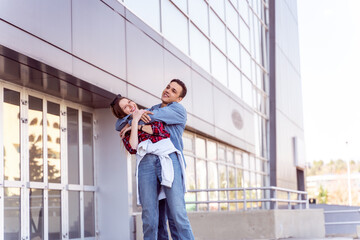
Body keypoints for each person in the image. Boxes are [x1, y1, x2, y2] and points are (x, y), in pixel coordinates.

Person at [115, 79, 194, 240]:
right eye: (167, 87)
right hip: (148, 163)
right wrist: (135, 119)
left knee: (176, 217)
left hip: (170, 161)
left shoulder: (178, 109)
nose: (168, 91)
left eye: (173, 91)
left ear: (178, 99)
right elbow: (119, 123)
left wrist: (135, 124)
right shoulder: (153, 108)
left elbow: (150, 119)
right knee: (154, 219)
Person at [111, 96, 179, 240]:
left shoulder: (148, 113)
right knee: (150, 218)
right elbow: (133, 147)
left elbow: (159, 130)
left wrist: (136, 126)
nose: (130, 106)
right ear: (122, 114)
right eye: (125, 107)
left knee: (169, 215)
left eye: (129, 102)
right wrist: (134, 121)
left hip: (163, 160)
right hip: (145, 166)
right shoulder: (125, 128)